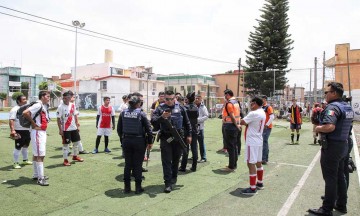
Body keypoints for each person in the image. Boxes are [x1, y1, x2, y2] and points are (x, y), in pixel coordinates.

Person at [308, 82, 353, 215]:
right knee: (340, 176)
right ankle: (341, 205)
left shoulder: (333, 107)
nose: (325, 95)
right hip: (343, 144)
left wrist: (318, 128)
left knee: (330, 178)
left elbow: (329, 127)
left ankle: (327, 208)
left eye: (326, 92)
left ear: (334, 93)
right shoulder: (347, 106)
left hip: (333, 146)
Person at [151, 90, 192, 193]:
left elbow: (187, 123)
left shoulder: (181, 107)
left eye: (171, 99)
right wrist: (162, 117)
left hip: (178, 138)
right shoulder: (160, 108)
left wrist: (189, 135)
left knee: (176, 160)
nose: (169, 101)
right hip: (166, 138)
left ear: (175, 98)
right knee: (166, 161)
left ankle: (174, 179)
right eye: (167, 99)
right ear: (164, 99)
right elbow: (153, 122)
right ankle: (168, 183)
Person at [117, 95, 153, 194]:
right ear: (138, 104)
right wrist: (150, 142)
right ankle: (138, 188)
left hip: (126, 141)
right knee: (137, 165)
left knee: (128, 165)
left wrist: (123, 140)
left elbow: (119, 130)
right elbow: (149, 129)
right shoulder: (141, 114)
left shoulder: (123, 113)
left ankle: (127, 188)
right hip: (139, 141)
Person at [23, 91, 50, 186]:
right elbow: (25, 113)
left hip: (40, 132)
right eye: (47, 96)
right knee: (40, 155)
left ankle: (36, 175)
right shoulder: (38, 105)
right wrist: (34, 124)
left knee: (36, 154)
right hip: (38, 132)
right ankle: (40, 178)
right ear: (42, 96)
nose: (48, 98)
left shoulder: (42, 105)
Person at [240, 97, 266, 195]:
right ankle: (259, 183)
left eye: (251, 103)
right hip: (259, 140)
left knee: (250, 163)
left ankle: (252, 188)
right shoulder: (262, 112)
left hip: (252, 141)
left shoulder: (253, 113)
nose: (250, 105)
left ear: (255, 103)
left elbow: (242, 122)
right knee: (258, 162)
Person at [56, 91, 84, 166]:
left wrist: (77, 125)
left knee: (76, 143)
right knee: (66, 145)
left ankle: (75, 156)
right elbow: (58, 119)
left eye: (68, 97)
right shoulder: (60, 107)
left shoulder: (72, 105)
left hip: (74, 128)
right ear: (63, 98)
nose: (66, 99)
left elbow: (75, 115)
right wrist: (60, 129)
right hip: (65, 129)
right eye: (65, 98)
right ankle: (65, 160)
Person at [9, 94, 33, 169]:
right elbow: (11, 120)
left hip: (28, 130)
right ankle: (15, 162)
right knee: (18, 147)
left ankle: (25, 160)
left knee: (26, 145)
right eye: (23, 99)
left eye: (26, 99)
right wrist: (13, 130)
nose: (26, 100)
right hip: (19, 130)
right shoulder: (15, 109)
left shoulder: (27, 108)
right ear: (19, 101)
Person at [221, 89, 241, 171]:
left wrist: (236, 125)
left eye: (225, 95)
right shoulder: (236, 102)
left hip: (230, 126)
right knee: (234, 146)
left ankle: (231, 166)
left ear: (228, 95)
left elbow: (232, 116)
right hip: (234, 126)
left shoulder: (229, 104)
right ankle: (233, 164)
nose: (224, 97)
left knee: (230, 147)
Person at [179, 92, 199, 172]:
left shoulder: (184, 108)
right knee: (194, 149)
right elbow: (197, 116)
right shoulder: (196, 107)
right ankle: (194, 166)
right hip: (194, 129)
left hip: (186, 130)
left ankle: (183, 166)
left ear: (187, 99)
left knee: (185, 149)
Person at [195, 94, 209, 163]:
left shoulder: (203, 107)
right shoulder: (193, 106)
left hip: (200, 128)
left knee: (201, 143)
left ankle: (203, 157)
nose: (197, 99)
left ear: (201, 100)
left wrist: (197, 120)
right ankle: (195, 156)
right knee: (194, 143)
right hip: (193, 128)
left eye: (198, 98)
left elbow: (206, 116)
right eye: (196, 98)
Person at [261, 95, 274, 164]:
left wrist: (266, 124)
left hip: (267, 128)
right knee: (262, 142)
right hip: (261, 127)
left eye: (263, 99)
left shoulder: (268, 107)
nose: (262, 100)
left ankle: (264, 159)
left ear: (265, 100)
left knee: (264, 141)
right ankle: (263, 158)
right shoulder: (260, 107)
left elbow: (272, 117)